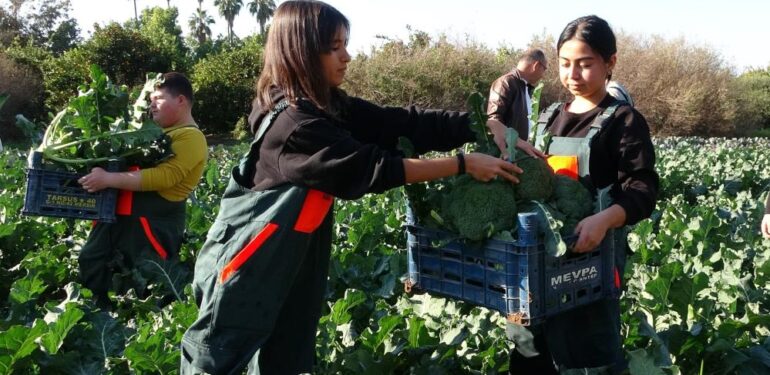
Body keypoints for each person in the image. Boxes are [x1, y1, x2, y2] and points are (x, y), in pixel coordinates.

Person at [179, 1, 522, 374]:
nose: (347, 56)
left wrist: (479, 125)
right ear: (302, 51)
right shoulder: (294, 122)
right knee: (216, 359)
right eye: (334, 47)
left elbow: (397, 124)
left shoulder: (321, 105)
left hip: (291, 261)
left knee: (285, 359)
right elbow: (370, 170)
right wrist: (461, 164)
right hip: (247, 265)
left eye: (345, 43)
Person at [506, 15, 659, 374]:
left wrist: (605, 219)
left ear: (610, 63)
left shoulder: (623, 121)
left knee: (588, 361)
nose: (573, 75)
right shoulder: (548, 118)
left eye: (585, 64)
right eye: (564, 64)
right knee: (529, 357)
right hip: (535, 270)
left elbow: (643, 188)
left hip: (590, 272)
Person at [77, 72, 208, 308]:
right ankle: (97, 316)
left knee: (141, 284)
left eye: (157, 98)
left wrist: (109, 179)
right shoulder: (157, 134)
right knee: (92, 261)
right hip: (119, 218)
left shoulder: (191, 136)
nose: (151, 105)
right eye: (150, 100)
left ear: (180, 100)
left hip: (151, 226)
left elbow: (165, 176)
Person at [486, 48, 549, 159]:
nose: (543, 75)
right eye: (544, 69)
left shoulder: (524, 87)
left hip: (516, 153)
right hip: (505, 155)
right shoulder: (506, 82)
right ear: (536, 65)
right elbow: (493, 119)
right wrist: (506, 151)